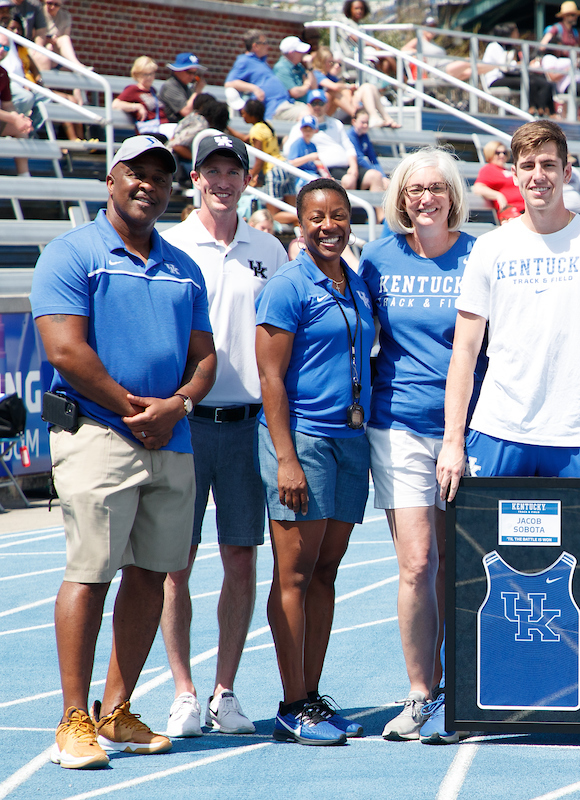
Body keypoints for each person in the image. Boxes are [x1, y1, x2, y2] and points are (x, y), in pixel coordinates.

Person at [436, 119, 580, 747]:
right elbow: (465, 351)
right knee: (478, 573)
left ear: (566, 171)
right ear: (514, 172)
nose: (538, 176)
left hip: (579, 433)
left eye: (549, 164)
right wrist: (453, 439)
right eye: (527, 166)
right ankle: (464, 695)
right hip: (499, 428)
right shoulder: (492, 249)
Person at [30, 135, 218, 769]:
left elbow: (204, 358)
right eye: (136, 174)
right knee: (90, 572)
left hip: (173, 438)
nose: (149, 186)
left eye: (161, 178)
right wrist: (136, 409)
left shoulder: (183, 264)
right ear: (110, 181)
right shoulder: (71, 253)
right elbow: (64, 351)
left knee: (152, 574)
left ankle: (116, 709)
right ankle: (73, 720)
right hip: (100, 435)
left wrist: (181, 405)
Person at [157, 134, 289, 738]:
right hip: (185, 424)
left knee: (241, 558)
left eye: (231, 171)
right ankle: (183, 690)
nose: (221, 181)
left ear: (247, 178)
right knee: (173, 563)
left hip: (246, 425)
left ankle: (224, 690)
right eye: (211, 170)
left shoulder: (269, 249)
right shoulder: (170, 243)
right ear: (195, 177)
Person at [359, 148, 481, 742]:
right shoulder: (379, 257)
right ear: (400, 198)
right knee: (416, 564)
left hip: (469, 426)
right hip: (398, 424)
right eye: (413, 190)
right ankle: (420, 692)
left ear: (452, 193)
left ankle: (463, 690)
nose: (424, 198)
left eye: (435, 188)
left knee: (461, 568)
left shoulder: (478, 253)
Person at [256, 178, 375, 746]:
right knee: (295, 575)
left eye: (339, 216)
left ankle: (312, 694)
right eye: (317, 217)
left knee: (326, 572)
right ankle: (291, 701)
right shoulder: (286, 285)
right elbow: (270, 377)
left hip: (351, 441)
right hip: (301, 441)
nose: (329, 226)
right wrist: (285, 458)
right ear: (300, 223)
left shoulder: (353, 282)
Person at [281, 93, 378, 191]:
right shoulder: (299, 128)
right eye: (314, 103)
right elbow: (289, 154)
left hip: (346, 167)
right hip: (328, 170)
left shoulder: (336, 123)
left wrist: (353, 167)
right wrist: (311, 159)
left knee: (376, 176)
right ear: (308, 106)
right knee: (349, 181)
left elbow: (349, 148)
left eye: (320, 103)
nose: (317, 106)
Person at [225, 29, 310, 121]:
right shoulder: (244, 61)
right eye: (265, 43)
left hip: (286, 103)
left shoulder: (261, 61)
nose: (268, 46)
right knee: (308, 115)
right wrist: (254, 88)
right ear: (255, 46)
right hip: (275, 108)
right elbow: (229, 83)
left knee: (316, 110)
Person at [480, 22, 553, 116]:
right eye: (515, 33)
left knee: (538, 81)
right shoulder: (494, 46)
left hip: (504, 77)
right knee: (529, 82)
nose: (517, 36)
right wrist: (522, 64)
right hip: (495, 79)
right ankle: (532, 109)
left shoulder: (506, 48)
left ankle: (541, 109)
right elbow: (505, 67)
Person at [0, 33, 33, 179]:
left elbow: (8, 105)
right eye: (0, 45)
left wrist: (21, 119)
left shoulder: (3, 73)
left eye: (6, 47)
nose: (2, 50)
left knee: (21, 130)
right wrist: (14, 118)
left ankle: (24, 177)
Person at [114, 56, 169, 135]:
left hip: (162, 127)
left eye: (151, 74)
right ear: (137, 74)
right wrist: (137, 106)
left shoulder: (152, 90)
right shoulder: (133, 89)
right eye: (145, 74)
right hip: (150, 130)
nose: (149, 77)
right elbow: (116, 104)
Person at [472, 139, 523, 222]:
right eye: (497, 153)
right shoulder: (488, 169)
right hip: (512, 213)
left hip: (526, 210)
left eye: (504, 152)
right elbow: (478, 188)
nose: (502, 155)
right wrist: (498, 195)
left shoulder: (508, 170)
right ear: (490, 153)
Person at [346, 108, 390, 190]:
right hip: (352, 169)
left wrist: (383, 176)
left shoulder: (364, 136)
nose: (365, 125)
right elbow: (359, 158)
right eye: (362, 122)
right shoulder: (350, 136)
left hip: (362, 169)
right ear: (354, 122)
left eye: (367, 122)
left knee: (386, 183)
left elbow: (373, 158)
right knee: (376, 177)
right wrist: (378, 174)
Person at [160, 53, 207, 125]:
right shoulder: (170, 86)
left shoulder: (185, 87)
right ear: (178, 71)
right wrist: (197, 91)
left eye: (194, 73)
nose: (193, 76)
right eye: (189, 72)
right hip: (170, 125)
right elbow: (186, 111)